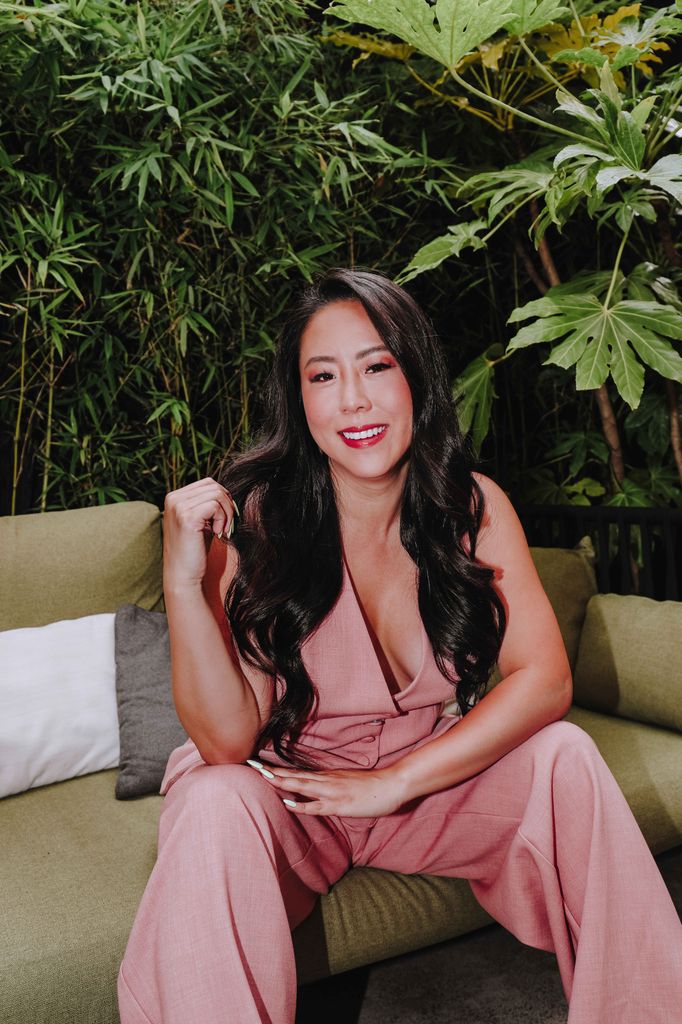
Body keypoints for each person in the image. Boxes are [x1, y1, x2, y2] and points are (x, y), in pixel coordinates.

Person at [118, 268, 682, 1024]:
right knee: (215, 800)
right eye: (324, 376)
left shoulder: (472, 508)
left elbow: (544, 679)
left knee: (566, 757)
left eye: (376, 366)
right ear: (299, 401)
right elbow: (225, 744)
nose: (353, 400)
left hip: (422, 789)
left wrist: (397, 781)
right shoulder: (252, 522)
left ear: (417, 375)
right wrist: (183, 582)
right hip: (294, 798)